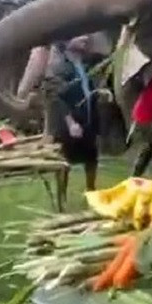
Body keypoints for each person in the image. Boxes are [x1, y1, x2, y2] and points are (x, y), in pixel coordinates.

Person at [45, 35, 105, 191]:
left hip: (87, 118)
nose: (85, 38)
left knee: (91, 158)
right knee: (64, 161)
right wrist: (70, 123)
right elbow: (56, 97)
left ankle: (91, 192)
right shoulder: (59, 67)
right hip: (68, 122)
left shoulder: (86, 64)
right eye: (79, 36)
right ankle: (61, 199)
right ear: (66, 41)